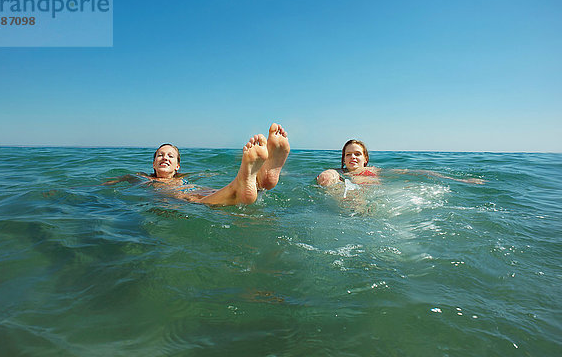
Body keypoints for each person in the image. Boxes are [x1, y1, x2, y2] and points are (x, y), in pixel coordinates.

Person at [105, 123, 290, 206]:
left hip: (197, 190)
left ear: (177, 166)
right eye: (160, 155)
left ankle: (258, 180)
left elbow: (208, 174)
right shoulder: (142, 178)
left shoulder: (184, 178)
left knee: (205, 194)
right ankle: (251, 182)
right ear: (153, 164)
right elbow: (120, 180)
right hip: (180, 196)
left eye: (170, 156)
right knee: (191, 199)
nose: (165, 158)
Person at [317, 139, 485, 191]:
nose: (352, 157)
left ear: (365, 158)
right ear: (344, 159)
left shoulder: (376, 171)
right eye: (348, 154)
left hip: (376, 202)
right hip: (349, 198)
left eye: (357, 154)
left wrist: (461, 181)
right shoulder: (340, 173)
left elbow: (417, 172)